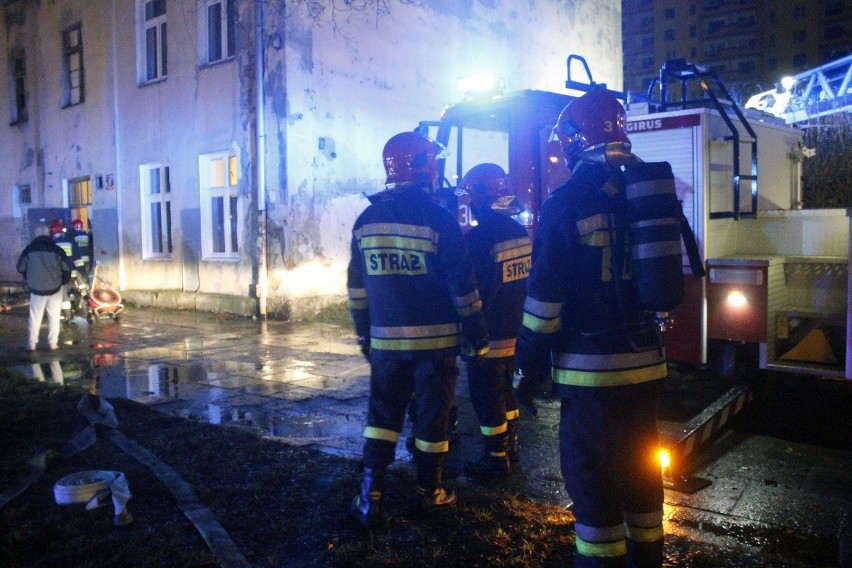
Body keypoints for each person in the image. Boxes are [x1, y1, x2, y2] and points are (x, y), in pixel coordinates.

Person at [516, 89, 667, 568]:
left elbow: (544, 300)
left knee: (593, 477)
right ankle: (649, 559)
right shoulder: (646, 193)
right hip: (645, 365)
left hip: (590, 373)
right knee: (642, 473)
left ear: (573, 142)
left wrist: (529, 366)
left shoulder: (565, 203)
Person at [347, 130, 489, 526]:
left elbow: (357, 291)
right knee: (432, 422)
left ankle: (369, 496)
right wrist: (476, 332)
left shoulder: (366, 220)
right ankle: (431, 493)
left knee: (381, 420)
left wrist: (365, 336)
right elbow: (463, 287)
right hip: (436, 347)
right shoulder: (439, 218)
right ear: (423, 167)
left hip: (386, 348)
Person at [458, 163, 531, 481]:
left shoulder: (478, 239)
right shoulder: (519, 232)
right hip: (516, 330)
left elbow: (472, 290)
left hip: (488, 333)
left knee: (486, 395)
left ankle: (495, 457)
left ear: (478, 197)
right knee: (506, 391)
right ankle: (511, 446)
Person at [17, 223, 73, 351]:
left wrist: (28, 277)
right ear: (49, 235)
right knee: (54, 316)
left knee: (35, 317)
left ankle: (32, 345)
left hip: (36, 290)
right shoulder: (57, 250)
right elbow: (67, 268)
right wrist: (62, 281)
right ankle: (53, 344)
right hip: (55, 289)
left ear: (36, 235)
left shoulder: (29, 250)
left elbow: (20, 268)